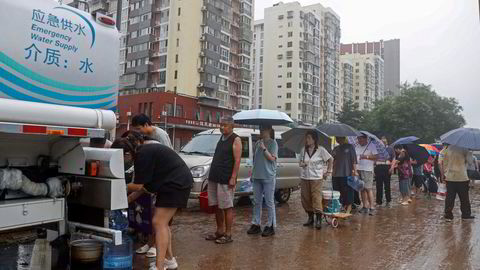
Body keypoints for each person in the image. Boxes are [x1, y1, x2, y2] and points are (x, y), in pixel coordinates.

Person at [112, 135, 193, 270]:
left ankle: (159, 266)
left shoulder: (142, 155)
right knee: (163, 224)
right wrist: (130, 198)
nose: (122, 162)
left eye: (121, 158)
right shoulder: (142, 152)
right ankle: (169, 261)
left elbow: (139, 185)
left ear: (127, 153)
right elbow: (146, 186)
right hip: (172, 183)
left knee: (158, 222)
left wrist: (120, 186)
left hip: (176, 184)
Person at [205, 116, 242, 244]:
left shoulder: (235, 139)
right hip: (214, 176)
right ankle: (219, 231)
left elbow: (237, 160)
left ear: (232, 126)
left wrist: (233, 177)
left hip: (226, 178)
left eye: (225, 125)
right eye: (221, 124)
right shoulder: (221, 138)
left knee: (227, 206)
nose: (222, 127)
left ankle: (228, 234)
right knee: (216, 206)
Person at [247, 125, 278, 237]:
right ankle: (256, 224)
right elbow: (255, 160)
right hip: (257, 176)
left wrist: (264, 148)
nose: (260, 131)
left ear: (268, 130)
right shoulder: (257, 143)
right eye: (260, 129)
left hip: (268, 176)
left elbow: (272, 159)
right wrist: (252, 173)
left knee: (269, 202)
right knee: (256, 201)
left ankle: (271, 225)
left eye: (263, 129)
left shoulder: (273, 143)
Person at [298, 131, 333, 229]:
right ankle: (310, 218)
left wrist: (328, 172)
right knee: (305, 198)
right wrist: (302, 164)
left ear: (314, 139)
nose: (307, 140)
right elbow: (300, 162)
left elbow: (330, 159)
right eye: (306, 138)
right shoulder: (303, 150)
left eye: (309, 138)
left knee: (316, 198)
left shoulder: (321, 150)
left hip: (316, 178)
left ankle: (318, 219)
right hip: (305, 177)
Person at [439, 145, 475, 221]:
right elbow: (470, 162)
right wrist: (470, 152)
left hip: (450, 177)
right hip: (462, 177)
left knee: (450, 198)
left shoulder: (445, 149)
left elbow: (441, 163)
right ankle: (466, 215)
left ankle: (448, 215)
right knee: (464, 198)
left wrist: (443, 174)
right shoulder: (465, 149)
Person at [332, 136, 358, 214]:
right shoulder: (336, 148)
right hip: (336, 174)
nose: (337, 139)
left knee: (348, 191)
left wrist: (355, 171)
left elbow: (354, 160)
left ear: (343, 138)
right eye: (336, 138)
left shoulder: (350, 147)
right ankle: (341, 206)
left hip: (347, 173)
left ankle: (349, 208)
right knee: (337, 192)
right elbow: (332, 159)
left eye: (339, 137)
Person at [355, 134, 378, 215]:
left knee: (368, 188)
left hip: (367, 169)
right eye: (358, 139)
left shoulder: (371, 146)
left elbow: (376, 157)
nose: (359, 140)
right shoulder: (357, 146)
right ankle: (365, 206)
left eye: (361, 139)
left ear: (365, 139)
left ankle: (372, 207)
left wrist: (366, 156)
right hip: (358, 169)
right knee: (362, 188)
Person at [375, 136, 394, 207]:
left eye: (384, 141)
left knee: (387, 185)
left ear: (387, 142)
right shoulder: (376, 149)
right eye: (381, 141)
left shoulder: (390, 149)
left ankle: (388, 200)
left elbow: (393, 159)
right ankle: (378, 201)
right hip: (378, 167)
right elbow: (374, 158)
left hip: (387, 167)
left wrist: (392, 167)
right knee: (378, 185)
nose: (383, 142)